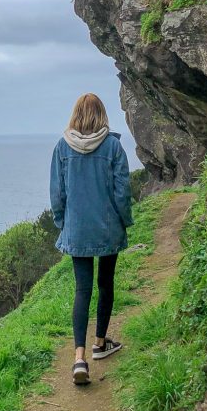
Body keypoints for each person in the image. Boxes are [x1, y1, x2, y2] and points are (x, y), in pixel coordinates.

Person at [50, 93, 133, 385]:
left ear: (75, 114)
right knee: (105, 284)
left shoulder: (62, 147)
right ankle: (100, 343)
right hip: (108, 227)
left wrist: (63, 223)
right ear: (101, 114)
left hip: (78, 228)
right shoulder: (113, 146)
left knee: (82, 290)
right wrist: (126, 221)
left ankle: (79, 358)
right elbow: (122, 192)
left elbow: (57, 194)